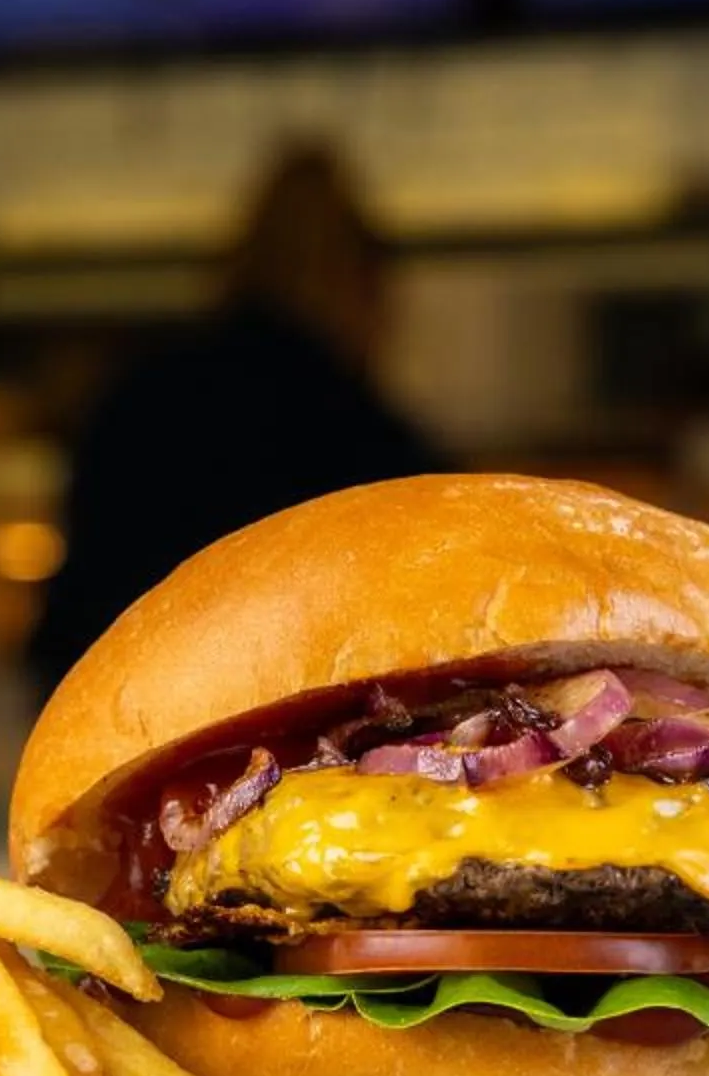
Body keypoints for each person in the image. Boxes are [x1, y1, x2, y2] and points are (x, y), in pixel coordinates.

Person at [25, 142, 443, 692]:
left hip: (119, 702)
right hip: (282, 729)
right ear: (360, 286)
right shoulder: (368, 436)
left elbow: (67, 621)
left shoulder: (141, 395)